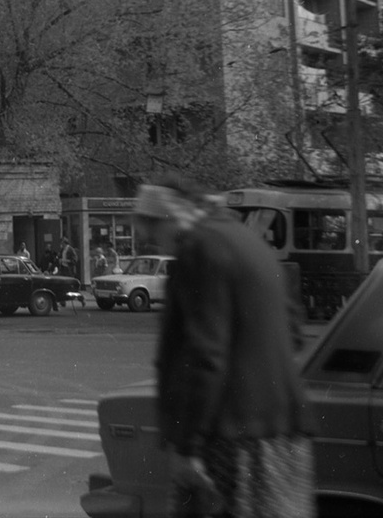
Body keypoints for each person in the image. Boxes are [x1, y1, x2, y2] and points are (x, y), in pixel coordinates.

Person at [134, 176, 314, 518]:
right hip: (282, 437)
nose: (153, 241)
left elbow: (205, 355)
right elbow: (294, 332)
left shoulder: (199, 249)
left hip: (229, 442)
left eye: (153, 231)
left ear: (171, 219)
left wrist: (188, 446)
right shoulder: (245, 238)